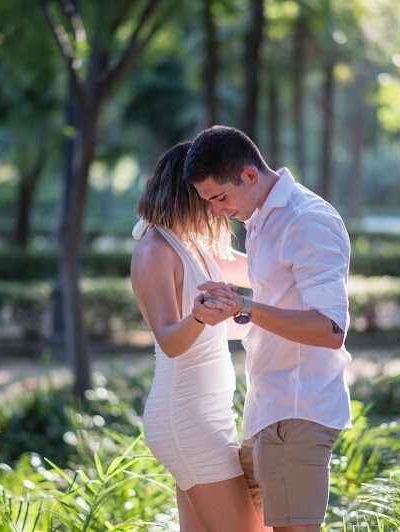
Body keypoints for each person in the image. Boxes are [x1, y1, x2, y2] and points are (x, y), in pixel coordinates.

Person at [184, 126, 352, 531]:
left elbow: (331, 329)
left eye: (220, 198)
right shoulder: (263, 219)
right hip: (270, 409)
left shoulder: (306, 220)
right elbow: (277, 298)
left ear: (249, 175)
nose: (216, 212)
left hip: (297, 410)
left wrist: (245, 306)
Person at [130, 141, 266, 532]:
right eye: (208, 198)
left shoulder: (193, 245)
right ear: (184, 193)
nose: (216, 209)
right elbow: (170, 341)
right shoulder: (155, 250)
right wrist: (200, 317)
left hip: (208, 417)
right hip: (187, 421)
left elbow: (262, 270)